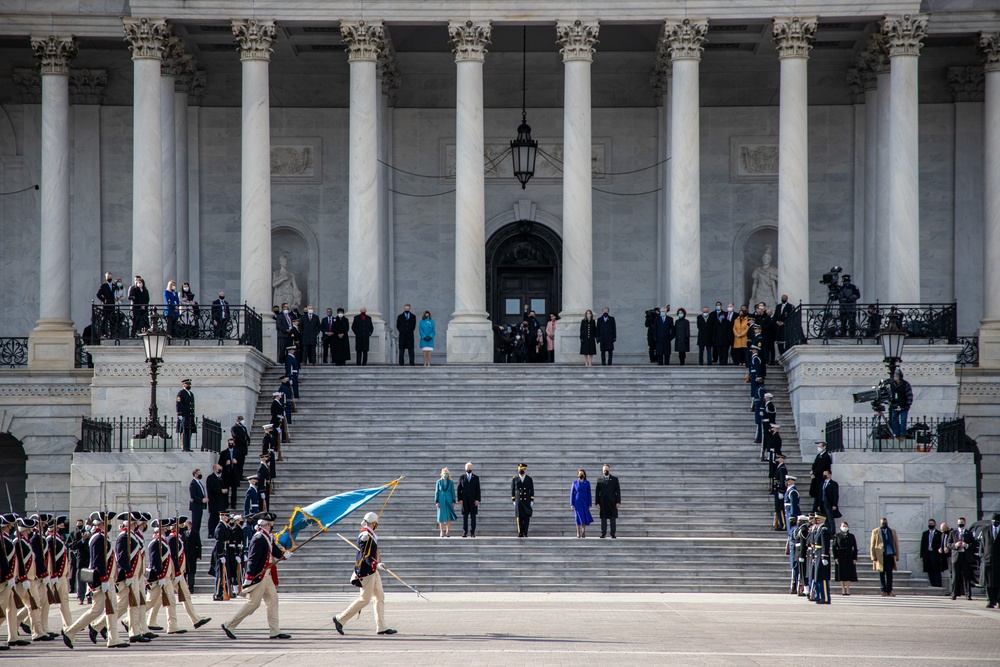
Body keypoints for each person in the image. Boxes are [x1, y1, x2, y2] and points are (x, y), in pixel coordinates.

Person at [60, 511, 127, 649]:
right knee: (97, 610)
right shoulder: (97, 538)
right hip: (102, 580)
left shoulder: (102, 537)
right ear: (101, 523)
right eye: (107, 522)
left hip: (107, 580)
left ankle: (113, 638)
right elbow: (98, 562)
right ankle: (70, 631)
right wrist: (104, 580)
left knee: (111, 608)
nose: (109, 525)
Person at [222, 512, 292, 640]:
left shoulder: (267, 537)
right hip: (260, 576)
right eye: (270, 524)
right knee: (253, 604)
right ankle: (229, 624)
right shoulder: (259, 538)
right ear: (265, 524)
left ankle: (274, 630)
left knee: (273, 601)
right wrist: (249, 576)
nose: (272, 526)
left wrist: (283, 555)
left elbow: (274, 551)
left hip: (268, 575)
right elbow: (252, 559)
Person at [333, 512, 396, 636]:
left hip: (373, 570)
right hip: (367, 571)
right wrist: (376, 564)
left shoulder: (370, 534)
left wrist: (377, 564)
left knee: (379, 597)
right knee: (365, 599)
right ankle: (340, 618)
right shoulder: (365, 535)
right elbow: (365, 555)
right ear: (374, 523)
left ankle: (381, 626)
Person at [947, 518, 976, 600]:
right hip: (956, 556)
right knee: (955, 576)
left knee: (966, 576)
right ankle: (954, 594)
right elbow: (948, 544)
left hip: (965, 556)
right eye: (959, 523)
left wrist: (966, 545)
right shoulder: (953, 532)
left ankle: (968, 594)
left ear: (965, 523)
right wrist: (955, 545)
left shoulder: (969, 533)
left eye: (962, 523)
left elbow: (974, 545)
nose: (961, 524)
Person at [870, 517, 899, 597]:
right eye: (883, 523)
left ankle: (889, 590)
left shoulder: (892, 531)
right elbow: (872, 545)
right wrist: (873, 556)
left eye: (885, 523)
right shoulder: (876, 531)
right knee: (881, 573)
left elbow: (896, 544)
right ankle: (883, 590)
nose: (884, 524)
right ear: (880, 523)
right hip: (880, 555)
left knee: (889, 573)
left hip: (890, 554)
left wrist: (897, 556)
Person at [595, 464, 621, 539]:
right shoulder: (599, 479)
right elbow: (597, 492)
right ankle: (603, 533)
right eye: (604, 470)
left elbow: (618, 491)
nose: (605, 471)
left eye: (607, 469)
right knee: (603, 518)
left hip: (612, 502)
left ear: (609, 470)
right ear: (602, 471)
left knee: (612, 518)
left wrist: (618, 502)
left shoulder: (614, 479)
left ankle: (613, 533)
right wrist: (597, 503)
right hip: (603, 502)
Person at [833, 521, 858, 596]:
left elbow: (855, 547)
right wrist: (835, 557)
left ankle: (848, 588)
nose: (844, 527)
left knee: (848, 573)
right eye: (843, 526)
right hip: (841, 555)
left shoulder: (851, 536)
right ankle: (843, 589)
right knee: (841, 573)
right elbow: (834, 547)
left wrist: (854, 558)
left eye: (846, 526)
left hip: (849, 556)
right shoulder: (837, 536)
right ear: (840, 527)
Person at [457, 462, 480, 538]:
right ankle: (465, 532)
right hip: (464, 500)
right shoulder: (462, 477)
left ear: (472, 468)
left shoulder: (476, 478)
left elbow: (478, 489)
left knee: (473, 517)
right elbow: (458, 489)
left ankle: (472, 532)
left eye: (470, 468)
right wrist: (459, 499)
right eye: (467, 468)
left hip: (473, 500)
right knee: (465, 517)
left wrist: (478, 499)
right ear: (465, 469)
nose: (469, 469)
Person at [889, 369, 913, 440]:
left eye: (896, 376)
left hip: (904, 406)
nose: (895, 377)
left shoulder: (906, 384)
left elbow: (909, 395)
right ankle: (896, 434)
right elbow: (890, 394)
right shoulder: (893, 384)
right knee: (894, 419)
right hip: (895, 405)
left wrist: (908, 405)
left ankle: (903, 434)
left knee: (903, 420)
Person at [511, 463, 534, 538]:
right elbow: (513, 489)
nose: (521, 471)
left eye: (522, 469)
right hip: (519, 501)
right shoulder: (515, 479)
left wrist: (531, 500)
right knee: (519, 517)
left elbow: (532, 490)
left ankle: (525, 532)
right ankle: (520, 532)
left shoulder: (529, 479)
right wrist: (513, 499)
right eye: (520, 470)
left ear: (525, 470)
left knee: (526, 517)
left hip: (526, 500)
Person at [983, 512, 1000, 608]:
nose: (995, 523)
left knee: (998, 581)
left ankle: (999, 600)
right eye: (993, 521)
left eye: (997, 521)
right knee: (988, 581)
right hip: (988, 559)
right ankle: (990, 600)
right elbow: (983, 544)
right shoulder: (985, 529)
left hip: (999, 560)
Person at [809, 441, 832, 513]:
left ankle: (816, 509)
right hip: (816, 478)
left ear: (824, 447)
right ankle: (814, 509)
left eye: (820, 446)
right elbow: (814, 465)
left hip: (820, 478)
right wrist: (812, 472)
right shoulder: (818, 456)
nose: (818, 448)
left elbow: (823, 467)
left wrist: (815, 472)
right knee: (816, 494)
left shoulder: (826, 456)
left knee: (819, 494)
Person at [920, 519, 944, 588]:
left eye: (932, 523)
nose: (930, 524)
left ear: (935, 524)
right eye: (929, 523)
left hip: (935, 554)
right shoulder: (925, 533)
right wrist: (922, 555)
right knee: (929, 570)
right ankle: (933, 584)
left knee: (936, 570)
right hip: (927, 554)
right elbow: (922, 545)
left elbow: (941, 544)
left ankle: (938, 585)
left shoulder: (939, 534)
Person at [570, 469, 593, 538]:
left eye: (582, 474)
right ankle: (578, 532)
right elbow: (572, 494)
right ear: (577, 475)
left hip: (584, 501)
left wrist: (589, 503)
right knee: (577, 517)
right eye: (579, 474)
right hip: (577, 502)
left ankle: (583, 531)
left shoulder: (587, 483)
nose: (581, 475)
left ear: (584, 475)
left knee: (583, 516)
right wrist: (572, 503)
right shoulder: (574, 483)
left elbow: (589, 493)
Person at [206, 464, 227, 538]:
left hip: (220, 502)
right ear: (214, 469)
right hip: (214, 502)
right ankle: (211, 532)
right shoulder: (210, 478)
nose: (220, 470)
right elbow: (211, 489)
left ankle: (217, 532)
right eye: (218, 468)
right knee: (213, 517)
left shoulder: (219, 478)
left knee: (218, 518)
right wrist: (221, 490)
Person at [219, 438, 241, 509]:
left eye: (232, 443)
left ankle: (233, 504)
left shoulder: (238, 452)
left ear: (234, 444)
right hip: (226, 474)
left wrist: (236, 462)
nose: (231, 444)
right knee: (226, 490)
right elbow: (220, 462)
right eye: (229, 443)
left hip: (235, 474)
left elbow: (241, 462)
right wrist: (225, 463)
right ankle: (226, 503)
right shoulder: (224, 453)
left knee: (234, 490)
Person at [434, 468, 456, 538]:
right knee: (441, 516)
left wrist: (453, 501)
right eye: (444, 473)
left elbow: (453, 492)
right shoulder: (438, 482)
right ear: (441, 474)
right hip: (441, 500)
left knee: (448, 516)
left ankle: (448, 531)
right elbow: (437, 492)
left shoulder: (451, 482)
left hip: (449, 499)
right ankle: (441, 531)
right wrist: (436, 501)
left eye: (446, 473)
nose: (445, 474)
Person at [176, 378, 196, 452]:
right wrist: (179, 414)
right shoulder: (181, 393)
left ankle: (188, 447)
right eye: (187, 384)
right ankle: (183, 447)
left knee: (189, 431)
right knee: (184, 432)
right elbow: (178, 404)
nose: (189, 385)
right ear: (183, 385)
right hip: (184, 415)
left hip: (190, 416)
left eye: (189, 384)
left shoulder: (191, 394)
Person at [820, 470, 841, 535]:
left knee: (830, 519)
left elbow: (835, 495)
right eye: (823, 474)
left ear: (829, 475)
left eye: (825, 474)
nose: (824, 475)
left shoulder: (833, 484)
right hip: (823, 503)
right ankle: (827, 532)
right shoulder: (822, 484)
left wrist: (835, 504)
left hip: (829, 504)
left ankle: (832, 533)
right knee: (824, 519)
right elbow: (820, 494)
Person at [189, 468, 207, 539]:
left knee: (198, 524)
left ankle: (196, 540)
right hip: (196, 507)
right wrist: (201, 500)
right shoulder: (193, 483)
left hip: (200, 507)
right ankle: (194, 540)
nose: (200, 475)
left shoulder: (199, 483)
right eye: (199, 474)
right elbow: (193, 495)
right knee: (195, 524)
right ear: (195, 475)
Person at [231, 416, 250, 480]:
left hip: (243, 448)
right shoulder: (234, 428)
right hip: (238, 448)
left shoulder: (243, 427)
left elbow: (246, 436)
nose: (243, 421)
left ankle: (240, 475)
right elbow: (236, 437)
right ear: (238, 420)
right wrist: (244, 442)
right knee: (238, 463)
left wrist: (248, 441)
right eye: (241, 420)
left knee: (242, 462)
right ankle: (237, 476)